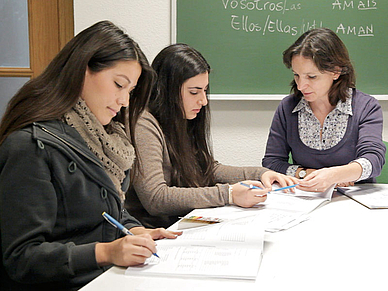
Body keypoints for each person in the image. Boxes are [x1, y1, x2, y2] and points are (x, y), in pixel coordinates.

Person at [0, 21, 181, 291]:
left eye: (130, 91)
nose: (125, 101)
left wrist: (134, 229)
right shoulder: (30, 145)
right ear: (82, 70)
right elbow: (22, 258)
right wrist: (106, 252)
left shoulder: (105, 140)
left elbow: (106, 213)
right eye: (119, 85)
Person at [125, 43, 298, 228]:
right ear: (167, 90)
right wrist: (229, 194)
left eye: (204, 90)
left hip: (180, 222)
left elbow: (206, 168)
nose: (203, 100)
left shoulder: (182, 116)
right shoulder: (143, 123)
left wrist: (261, 173)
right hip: (153, 232)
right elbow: (156, 198)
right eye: (194, 92)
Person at [262, 27, 386, 193]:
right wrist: (305, 173)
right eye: (296, 75)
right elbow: (272, 162)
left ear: (336, 71)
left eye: (311, 77)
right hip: (306, 198)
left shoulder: (366, 107)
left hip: (354, 200)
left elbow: (374, 160)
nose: (300, 85)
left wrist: (336, 175)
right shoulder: (287, 108)